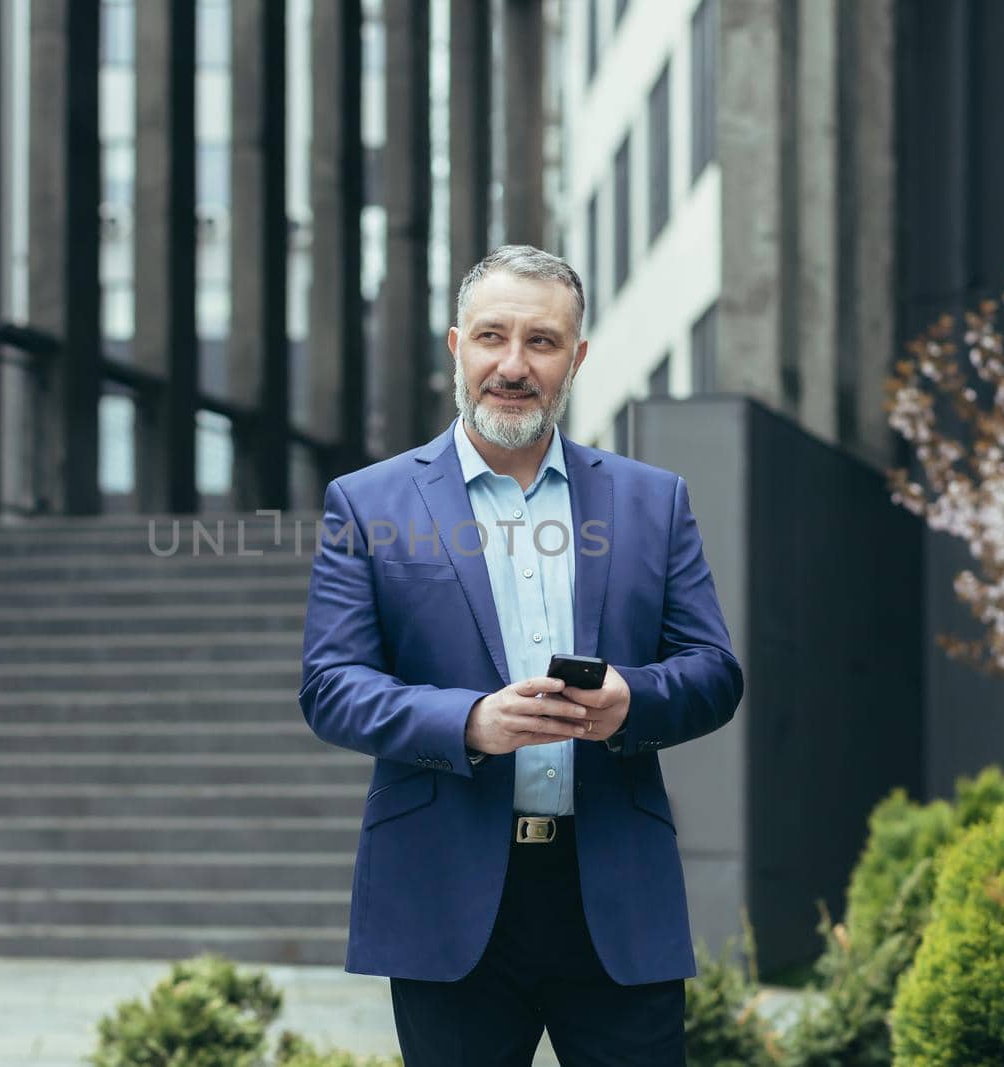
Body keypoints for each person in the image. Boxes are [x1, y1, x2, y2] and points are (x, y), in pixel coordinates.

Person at [298, 245, 744, 1066]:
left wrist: (630, 701)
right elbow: (331, 685)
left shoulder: (652, 500)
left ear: (575, 358)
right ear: (456, 345)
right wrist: (468, 720)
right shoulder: (368, 503)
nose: (513, 365)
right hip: (445, 893)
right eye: (492, 337)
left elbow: (714, 670)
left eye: (541, 342)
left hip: (613, 888)